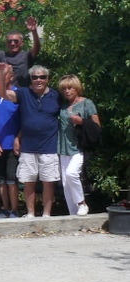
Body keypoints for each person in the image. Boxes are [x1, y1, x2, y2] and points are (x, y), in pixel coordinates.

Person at [0, 63, 60, 217]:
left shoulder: (56, 95)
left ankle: (46, 215)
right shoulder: (24, 93)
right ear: (30, 78)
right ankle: (30, 214)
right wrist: (4, 74)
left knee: (48, 182)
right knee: (28, 182)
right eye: (35, 77)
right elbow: (3, 94)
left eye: (42, 77)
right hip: (28, 147)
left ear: (47, 79)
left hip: (49, 147)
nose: (38, 80)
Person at [57, 75, 99, 216]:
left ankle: (82, 203)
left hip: (79, 147)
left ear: (77, 88)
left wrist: (82, 121)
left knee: (72, 174)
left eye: (70, 88)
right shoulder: (63, 105)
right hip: (63, 148)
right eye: (64, 89)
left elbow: (97, 127)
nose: (67, 91)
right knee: (66, 184)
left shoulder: (87, 103)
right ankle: (73, 215)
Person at [0, 80, 22, 219]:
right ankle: (5, 209)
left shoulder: (17, 95)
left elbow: (24, 120)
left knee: (11, 178)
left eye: (3, 75)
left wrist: (18, 139)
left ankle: (14, 210)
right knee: (0, 178)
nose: (0, 78)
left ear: (11, 77)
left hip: (12, 144)